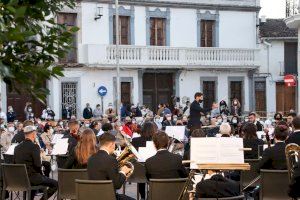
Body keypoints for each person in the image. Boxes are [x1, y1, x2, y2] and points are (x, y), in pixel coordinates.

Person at [14, 125, 58, 199]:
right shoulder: (34, 147)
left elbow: (14, 163)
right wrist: (42, 171)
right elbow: (38, 165)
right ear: (33, 134)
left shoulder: (17, 147)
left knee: (36, 176)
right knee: (55, 184)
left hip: (20, 178)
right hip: (31, 178)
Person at [87, 133, 133, 200]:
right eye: (114, 144)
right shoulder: (111, 160)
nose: (115, 147)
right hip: (108, 196)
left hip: (93, 196)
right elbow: (117, 185)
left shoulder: (90, 158)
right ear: (111, 144)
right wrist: (123, 172)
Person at [132, 122, 157, 200]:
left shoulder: (135, 140)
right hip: (153, 169)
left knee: (141, 173)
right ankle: (151, 194)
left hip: (138, 170)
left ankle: (142, 196)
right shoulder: (156, 141)